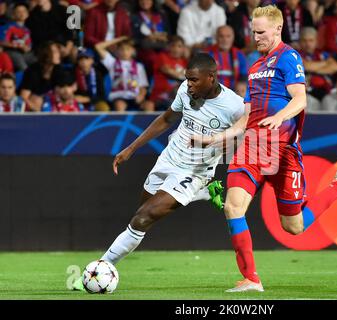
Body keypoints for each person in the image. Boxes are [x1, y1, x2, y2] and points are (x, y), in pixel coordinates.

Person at [192, 5, 337, 292]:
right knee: (232, 206)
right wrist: (214, 138)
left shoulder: (289, 57)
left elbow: (300, 99)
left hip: (283, 151)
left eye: (261, 32)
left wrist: (280, 116)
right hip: (252, 148)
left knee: (294, 227)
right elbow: (246, 117)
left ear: (277, 29)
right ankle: (252, 279)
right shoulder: (253, 67)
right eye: (252, 31)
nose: (256, 36)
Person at [71, 53, 244, 292]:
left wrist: (213, 144)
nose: (189, 84)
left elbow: (243, 140)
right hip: (168, 160)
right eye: (187, 79)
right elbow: (166, 119)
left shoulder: (234, 106)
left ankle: (96, 272)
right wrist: (131, 148)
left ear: (211, 78)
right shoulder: (185, 90)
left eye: (194, 80)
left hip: (194, 171)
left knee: (142, 218)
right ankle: (203, 193)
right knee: (141, 215)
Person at [95, 36, 151, 111]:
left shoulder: (139, 66)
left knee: (149, 105)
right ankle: (119, 123)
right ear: (117, 51)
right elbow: (98, 47)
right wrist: (120, 39)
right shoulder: (112, 62)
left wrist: (141, 96)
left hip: (134, 95)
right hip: (119, 95)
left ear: (132, 51)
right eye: (121, 49)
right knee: (120, 105)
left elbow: (143, 86)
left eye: (127, 49)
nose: (124, 52)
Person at [19, 41, 65, 111]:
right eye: (55, 52)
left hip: (50, 104)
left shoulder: (58, 69)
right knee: (37, 99)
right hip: (35, 107)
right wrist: (39, 112)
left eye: (58, 51)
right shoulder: (33, 71)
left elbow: (60, 92)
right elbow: (23, 97)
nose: (59, 54)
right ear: (46, 55)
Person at [299, 27, 337, 100]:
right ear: (300, 42)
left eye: (311, 40)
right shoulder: (295, 54)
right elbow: (306, 66)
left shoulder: (322, 54)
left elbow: (335, 67)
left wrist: (315, 69)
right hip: (308, 92)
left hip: (327, 90)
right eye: (304, 41)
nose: (308, 44)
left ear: (316, 41)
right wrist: (325, 63)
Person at [149, 35, 188, 111]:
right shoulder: (162, 56)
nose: (176, 49)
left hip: (176, 96)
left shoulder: (184, 61)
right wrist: (184, 75)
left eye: (179, 46)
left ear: (183, 49)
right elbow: (167, 70)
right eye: (173, 46)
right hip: (160, 95)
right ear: (168, 47)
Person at [206, 25, 248, 92]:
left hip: (234, 90)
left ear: (233, 38)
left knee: (242, 88)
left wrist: (241, 83)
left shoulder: (239, 54)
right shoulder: (207, 53)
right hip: (213, 91)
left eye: (228, 36)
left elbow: (244, 74)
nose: (225, 39)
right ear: (216, 37)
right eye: (221, 36)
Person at [0, 3, 35, 71]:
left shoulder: (27, 30)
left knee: (36, 62)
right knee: (23, 66)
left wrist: (26, 48)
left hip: (24, 53)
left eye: (24, 11)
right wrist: (16, 45)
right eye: (19, 12)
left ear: (27, 14)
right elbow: (2, 41)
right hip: (11, 51)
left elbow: (29, 45)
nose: (22, 13)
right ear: (13, 15)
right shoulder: (7, 27)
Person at [74, 47, 109, 111]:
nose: (83, 62)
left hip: (94, 101)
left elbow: (102, 96)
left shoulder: (98, 74)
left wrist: (88, 99)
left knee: (103, 107)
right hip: (78, 102)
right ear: (77, 61)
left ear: (92, 60)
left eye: (87, 58)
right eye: (80, 59)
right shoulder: (73, 73)